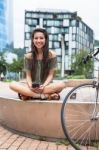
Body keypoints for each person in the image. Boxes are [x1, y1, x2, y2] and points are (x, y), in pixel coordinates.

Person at [9, 27, 66, 100]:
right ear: (33, 40)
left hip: (46, 85)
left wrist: (43, 86)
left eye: (41, 38)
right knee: (12, 84)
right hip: (31, 86)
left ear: (45, 39)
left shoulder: (52, 55)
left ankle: (30, 95)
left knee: (61, 85)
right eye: (36, 38)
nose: (38, 40)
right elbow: (28, 76)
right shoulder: (28, 56)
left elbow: (51, 75)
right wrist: (30, 87)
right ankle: (44, 95)